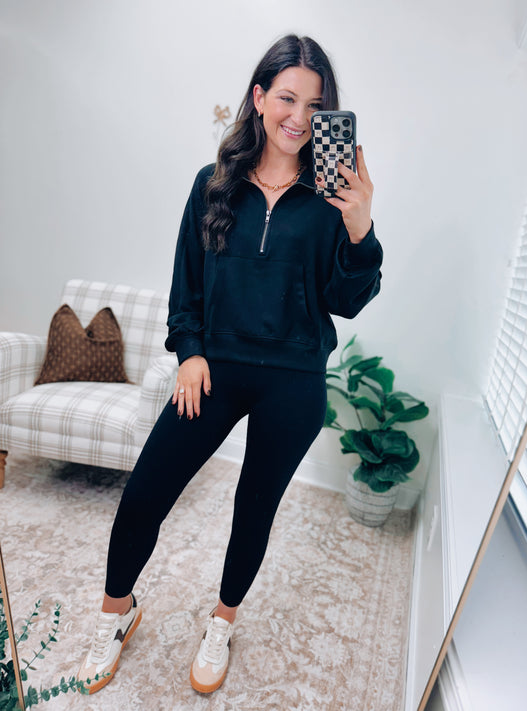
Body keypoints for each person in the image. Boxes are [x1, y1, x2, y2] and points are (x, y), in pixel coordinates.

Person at [77, 34, 382, 696]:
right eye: (287, 98)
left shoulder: (332, 197)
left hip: (293, 381)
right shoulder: (212, 184)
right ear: (259, 97)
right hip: (213, 372)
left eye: (315, 105)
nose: (299, 117)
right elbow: (185, 284)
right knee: (144, 495)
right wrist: (189, 353)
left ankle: (222, 621)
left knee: (254, 508)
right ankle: (115, 613)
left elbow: (348, 300)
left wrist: (360, 228)